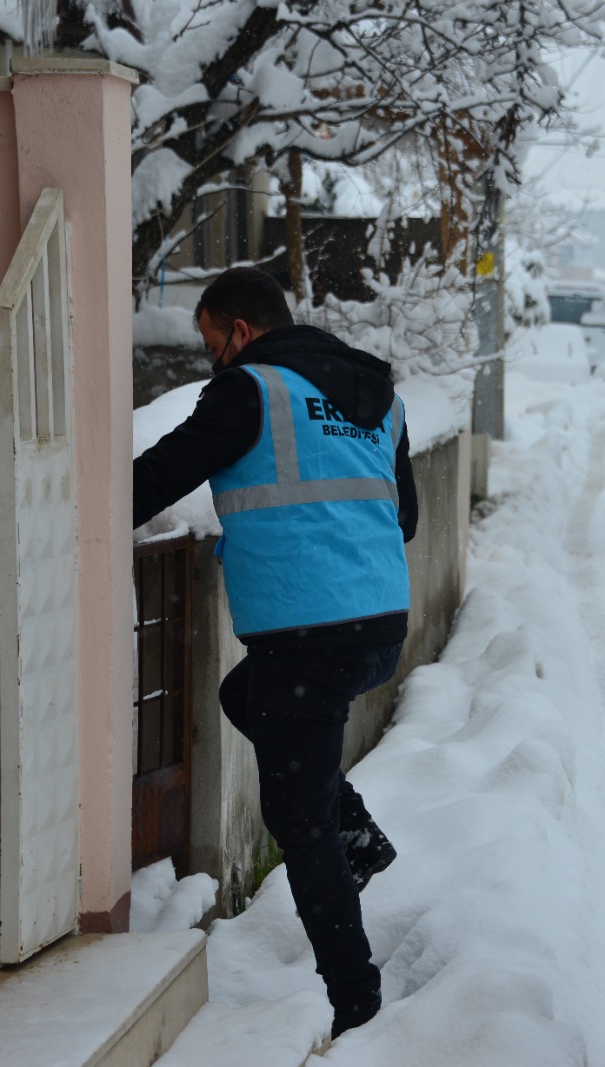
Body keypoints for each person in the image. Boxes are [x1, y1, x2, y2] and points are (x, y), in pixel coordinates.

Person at [133, 267, 417, 1038]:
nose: (210, 360)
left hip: (306, 639)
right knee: (242, 699)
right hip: (377, 627)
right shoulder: (377, 396)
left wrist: (77, 514)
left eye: (209, 343)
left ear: (241, 333)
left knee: (296, 815)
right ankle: (353, 831)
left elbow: (159, 475)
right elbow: (407, 516)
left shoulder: (248, 390)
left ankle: (356, 1000)